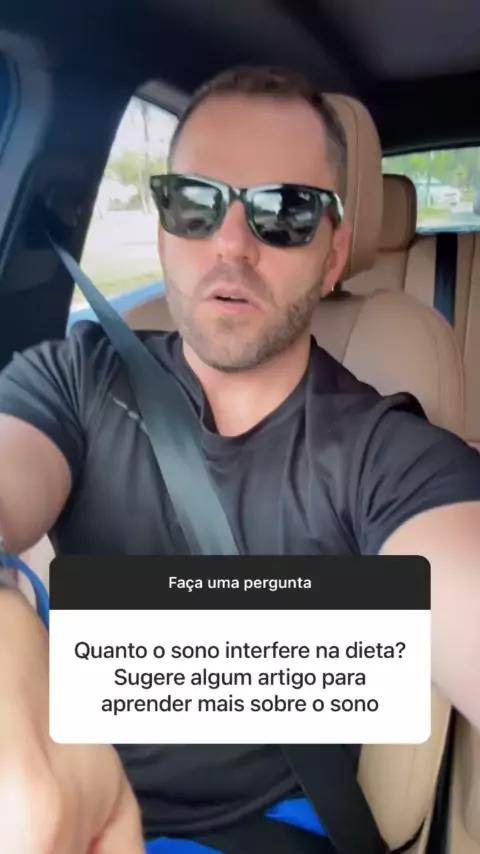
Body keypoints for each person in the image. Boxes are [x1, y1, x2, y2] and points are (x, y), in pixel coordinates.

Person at [0, 65, 479, 854]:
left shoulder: (383, 452)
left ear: (333, 252)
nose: (231, 243)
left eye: (285, 212)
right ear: (163, 230)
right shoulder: (75, 376)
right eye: (195, 203)